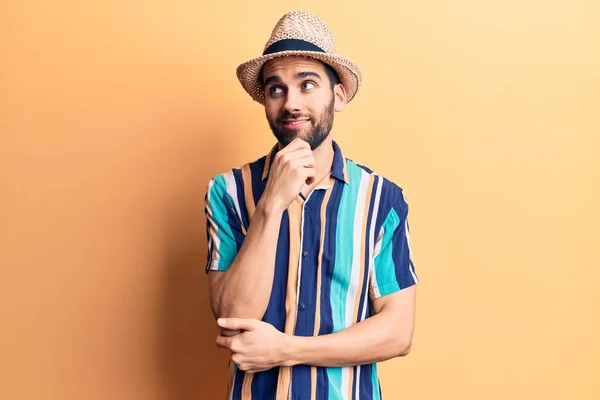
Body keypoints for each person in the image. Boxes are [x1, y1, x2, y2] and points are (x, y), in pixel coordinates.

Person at [204, 10, 418, 400]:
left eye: (307, 85)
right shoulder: (229, 192)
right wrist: (271, 202)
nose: (290, 104)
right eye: (276, 89)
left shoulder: (382, 199)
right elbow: (234, 319)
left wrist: (285, 349)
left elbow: (397, 333)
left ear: (337, 96)